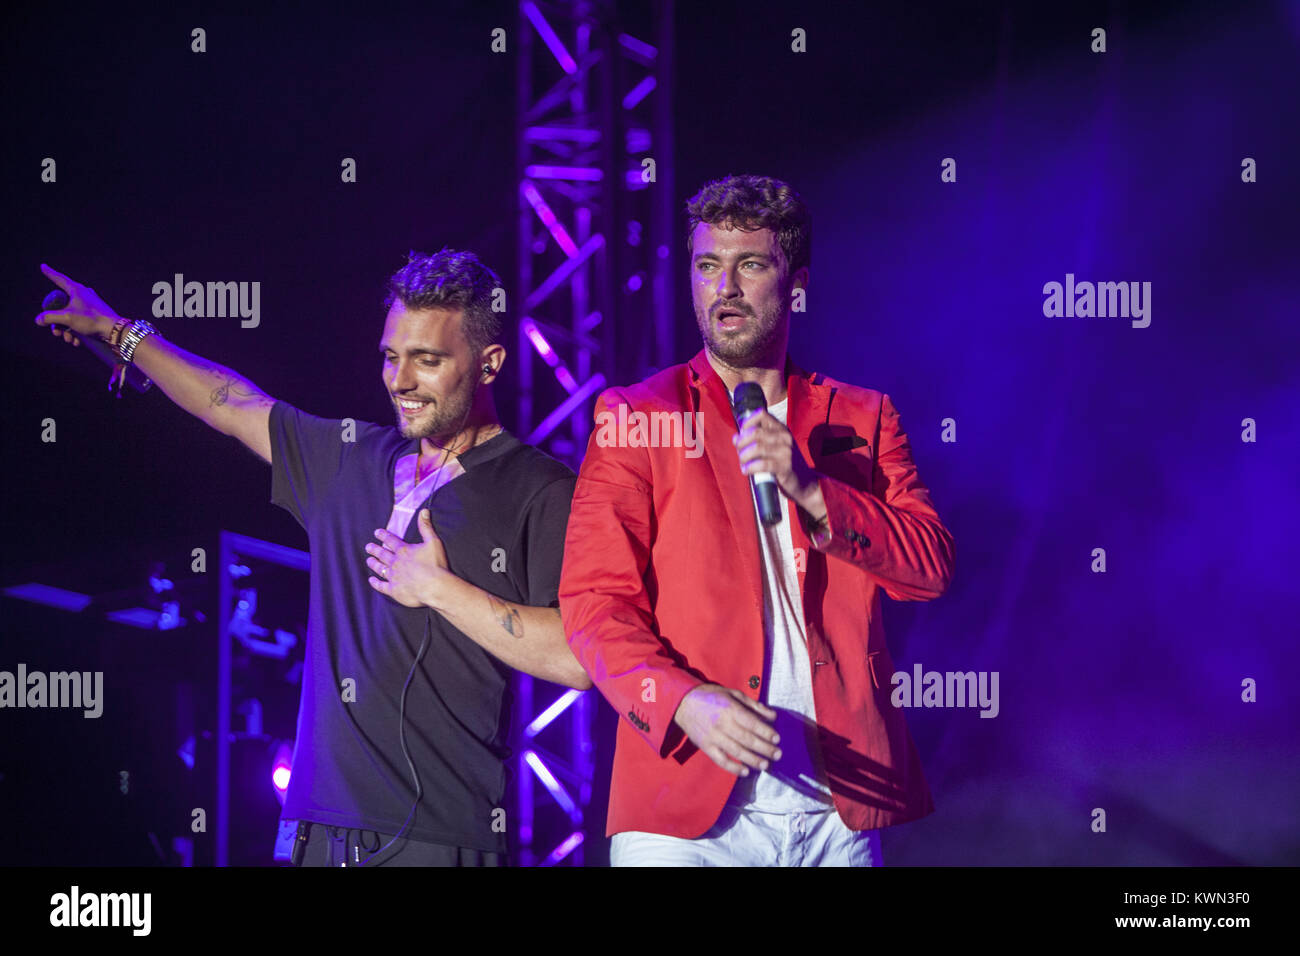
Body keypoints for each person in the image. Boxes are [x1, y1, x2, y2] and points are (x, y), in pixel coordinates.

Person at [35, 249, 589, 867]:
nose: (400, 380)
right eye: (390, 355)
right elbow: (229, 401)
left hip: (443, 838)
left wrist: (439, 589)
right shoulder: (346, 457)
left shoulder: (540, 489)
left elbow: (578, 656)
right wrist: (117, 332)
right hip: (315, 831)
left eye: (427, 360)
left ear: (489, 365)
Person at [559, 175, 955, 866]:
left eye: (750, 265)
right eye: (708, 265)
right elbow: (594, 604)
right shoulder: (638, 415)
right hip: (684, 813)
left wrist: (812, 489)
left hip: (837, 810)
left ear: (795, 282)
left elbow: (929, 569)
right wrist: (681, 701)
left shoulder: (863, 416)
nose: (726, 288)